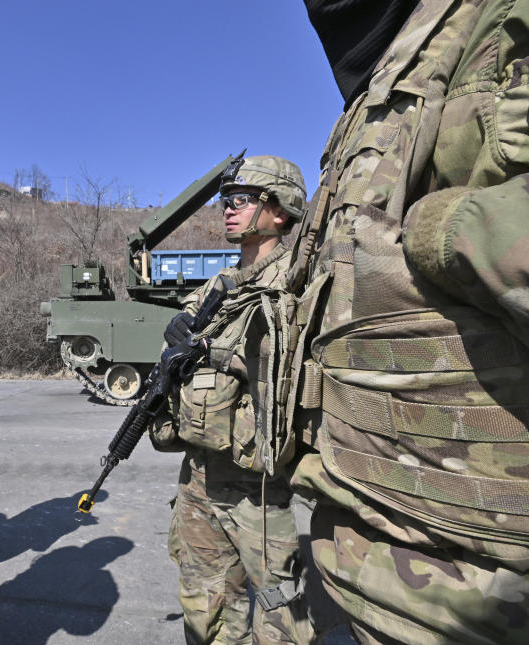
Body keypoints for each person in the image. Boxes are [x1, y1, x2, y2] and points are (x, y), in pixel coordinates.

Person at [283, 1, 529, 643]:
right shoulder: (396, 65)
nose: (231, 213)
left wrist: (450, 230)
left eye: (244, 201)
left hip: (485, 591)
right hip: (373, 555)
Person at [151, 156, 315, 645]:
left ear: (279, 210)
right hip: (200, 474)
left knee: (280, 614)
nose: (228, 209)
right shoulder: (216, 288)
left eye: (241, 200)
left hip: (263, 487)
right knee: (206, 603)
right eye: (226, 201)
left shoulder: (300, 281)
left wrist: (219, 353)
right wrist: (175, 342)